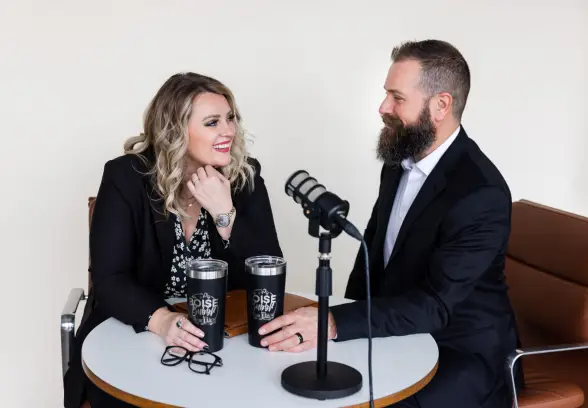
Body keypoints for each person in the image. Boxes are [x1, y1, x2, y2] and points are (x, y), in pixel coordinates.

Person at [259, 40, 523, 407]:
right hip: (400, 335)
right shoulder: (398, 162)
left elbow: (435, 305)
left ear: (440, 105)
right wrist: (335, 325)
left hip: (461, 353)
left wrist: (335, 322)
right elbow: (373, 253)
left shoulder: (480, 192)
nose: (383, 107)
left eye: (397, 98)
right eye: (386, 94)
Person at [63, 72, 283, 408]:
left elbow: (267, 275)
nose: (228, 131)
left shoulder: (244, 177)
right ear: (175, 130)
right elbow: (109, 280)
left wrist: (225, 214)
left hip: (220, 342)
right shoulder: (127, 177)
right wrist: (162, 319)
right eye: (212, 122)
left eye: (230, 118)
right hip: (133, 330)